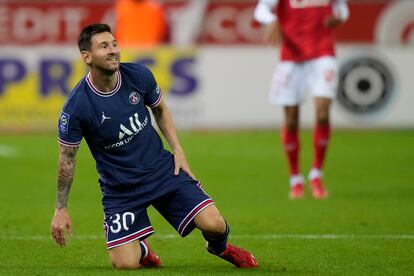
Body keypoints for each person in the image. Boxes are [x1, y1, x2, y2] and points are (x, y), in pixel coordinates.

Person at [50, 23, 258, 269]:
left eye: (114, 44)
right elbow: (67, 158)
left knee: (215, 224)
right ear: (87, 57)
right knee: (125, 264)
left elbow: (160, 109)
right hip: (121, 189)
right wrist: (61, 208)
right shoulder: (76, 107)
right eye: (104, 46)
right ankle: (142, 248)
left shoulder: (138, 75)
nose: (113, 50)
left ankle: (220, 248)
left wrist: (179, 151)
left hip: (161, 171)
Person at [254, 0, 349, 199]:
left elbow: (342, 7)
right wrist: (272, 20)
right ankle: (295, 178)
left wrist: (339, 16)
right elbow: (261, 9)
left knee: (322, 111)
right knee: (291, 119)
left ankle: (316, 174)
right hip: (291, 55)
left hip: (322, 52)